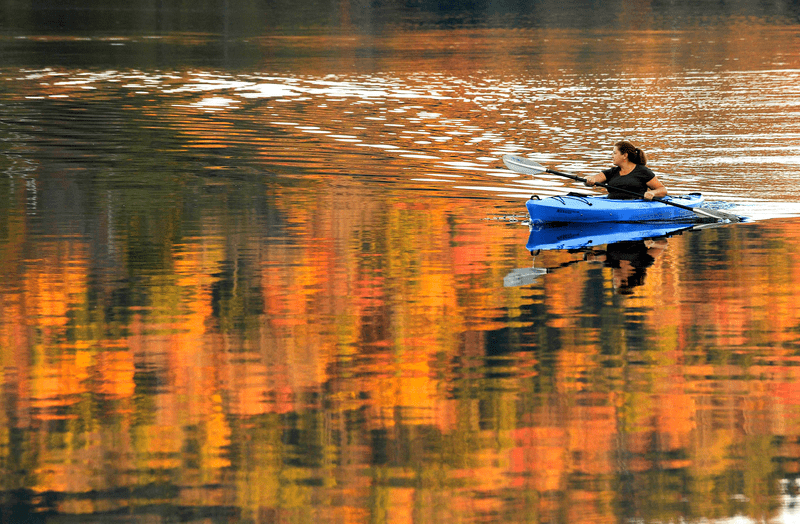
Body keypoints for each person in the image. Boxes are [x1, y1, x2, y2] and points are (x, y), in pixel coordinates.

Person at [584, 141, 667, 200]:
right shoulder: (612, 172)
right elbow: (595, 178)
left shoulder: (643, 171)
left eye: (614, 153)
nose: (612, 156)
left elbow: (662, 190)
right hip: (611, 204)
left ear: (624, 155)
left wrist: (652, 193)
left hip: (633, 206)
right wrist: (588, 179)